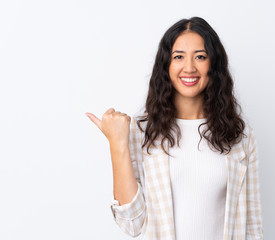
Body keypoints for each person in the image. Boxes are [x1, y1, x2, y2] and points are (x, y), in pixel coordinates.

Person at [86, 16, 263, 240]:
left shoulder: (240, 134)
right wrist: (117, 143)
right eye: (178, 57)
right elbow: (132, 225)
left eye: (200, 56)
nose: (189, 67)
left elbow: (252, 225)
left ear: (213, 64)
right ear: (166, 65)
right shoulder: (141, 132)